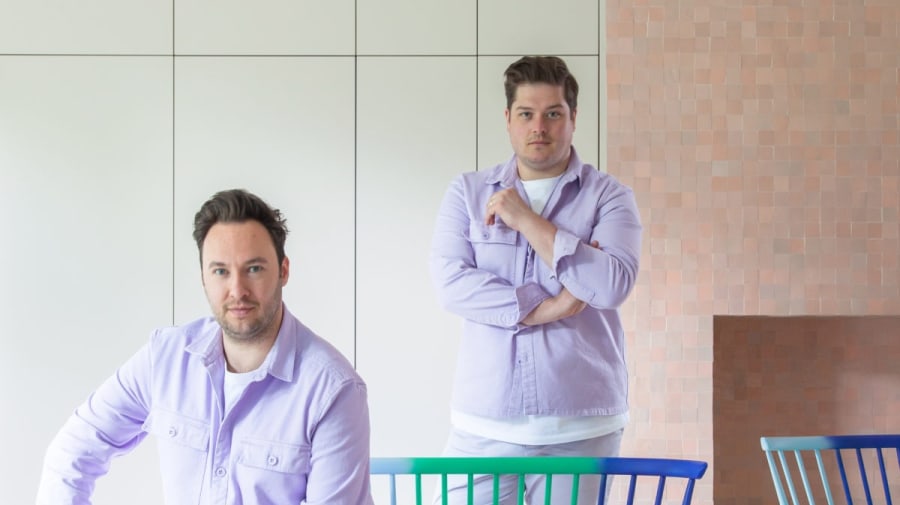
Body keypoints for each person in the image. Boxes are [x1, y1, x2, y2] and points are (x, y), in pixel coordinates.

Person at [37, 189, 374, 505]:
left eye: (254, 269)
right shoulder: (165, 357)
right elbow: (73, 452)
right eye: (220, 271)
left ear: (283, 271)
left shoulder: (334, 391)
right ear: (203, 276)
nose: (237, 289)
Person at [429, 56, 643, 504]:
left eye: (553, 114)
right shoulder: (467, 194)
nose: (539, 127)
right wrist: (549, 307)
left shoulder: (611, 197)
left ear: (573, 119)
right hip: (482, 426)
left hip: (581, 426)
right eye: (526, 113)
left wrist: (526, 220)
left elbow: (611, 286)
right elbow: (452, 284)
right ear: (508, 119)